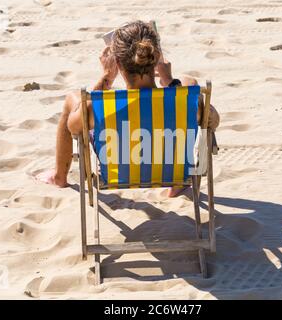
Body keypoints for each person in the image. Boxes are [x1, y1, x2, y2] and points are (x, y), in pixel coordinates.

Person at [36, 20, 219, 197]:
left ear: (117, 62)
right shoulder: (187, 104)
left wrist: (105, 78)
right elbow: (214, 120)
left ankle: (59, 176)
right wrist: (169, 80)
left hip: (120, 172)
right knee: (190, 83)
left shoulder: (103, 108)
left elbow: (73, 127)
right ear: (155, 58)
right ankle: (177, 184)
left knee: (72, 99)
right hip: (174, 171)